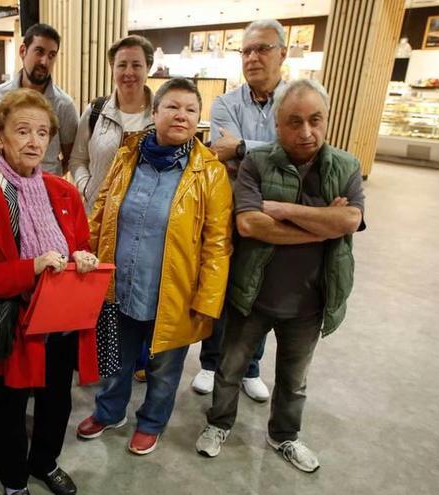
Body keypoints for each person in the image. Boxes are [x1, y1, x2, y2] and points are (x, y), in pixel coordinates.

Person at [195, 79, 365, 473]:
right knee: (229, 368)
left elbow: (351, 219)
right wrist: (325, 222)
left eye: (314, 120)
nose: (306, 132)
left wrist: (284, 211)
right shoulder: (257, 163)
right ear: (278, 125)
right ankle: (219, 424)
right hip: (252, 293)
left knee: (294, 380)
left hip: (310, 300)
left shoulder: (346, 166)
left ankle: (284, 436)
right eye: (294, 122)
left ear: (327, 120)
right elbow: (251, 225)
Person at [0, 88, 101, 495]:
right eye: (22, 131)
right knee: (8, 411)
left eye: (42, 132)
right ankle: (14, 482)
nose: (35, 141)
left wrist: (83, 260)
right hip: (10, 327)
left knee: (56, 404)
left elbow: (81, 246)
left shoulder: (63, 192)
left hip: (59, 322)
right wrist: (29, 268)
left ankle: (46, 462)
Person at [76, 78, 233, 456]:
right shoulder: (128, 156)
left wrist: (207, 301)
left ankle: (151, 422)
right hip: (119, 283)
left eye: (191, 109)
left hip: (173, 293)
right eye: (172, 106)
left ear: (199, 119)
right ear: (155, 112)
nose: (181, 115)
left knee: (164, 370)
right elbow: (101, 211)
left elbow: (217, 244)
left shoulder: (210, 173)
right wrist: (89, 259)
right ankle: (110, 412)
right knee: (114, 358)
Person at [190, 19, 290, 400]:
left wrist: (244, 149)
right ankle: (211, 363)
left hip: (277, 215)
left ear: (282, 53)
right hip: (230, 212)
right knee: (222, 285)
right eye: (246, 51)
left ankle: (250, 366)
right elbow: (223, 151)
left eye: (262, 49)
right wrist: (272, 152)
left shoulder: (297, 100)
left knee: (262, 289)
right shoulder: (226, 103)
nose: (252, 58)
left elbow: (297, 153)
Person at [69, 34, 156, 212]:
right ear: (112, 68)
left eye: (136, 65)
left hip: (143, 219)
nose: (129, 72)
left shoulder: (161, 115)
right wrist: (86, 187)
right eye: (122, 65)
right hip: (97, 215)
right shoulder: (96, 111)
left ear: (148, 68)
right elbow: (77, 159)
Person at [0, 23, 78, 175]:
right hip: (5, 185)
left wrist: (48, 178)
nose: (44, 61)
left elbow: (70, 156)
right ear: (23, 51)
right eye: (39, 52)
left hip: (47, 187)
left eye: (51, 55)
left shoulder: (64, 105)